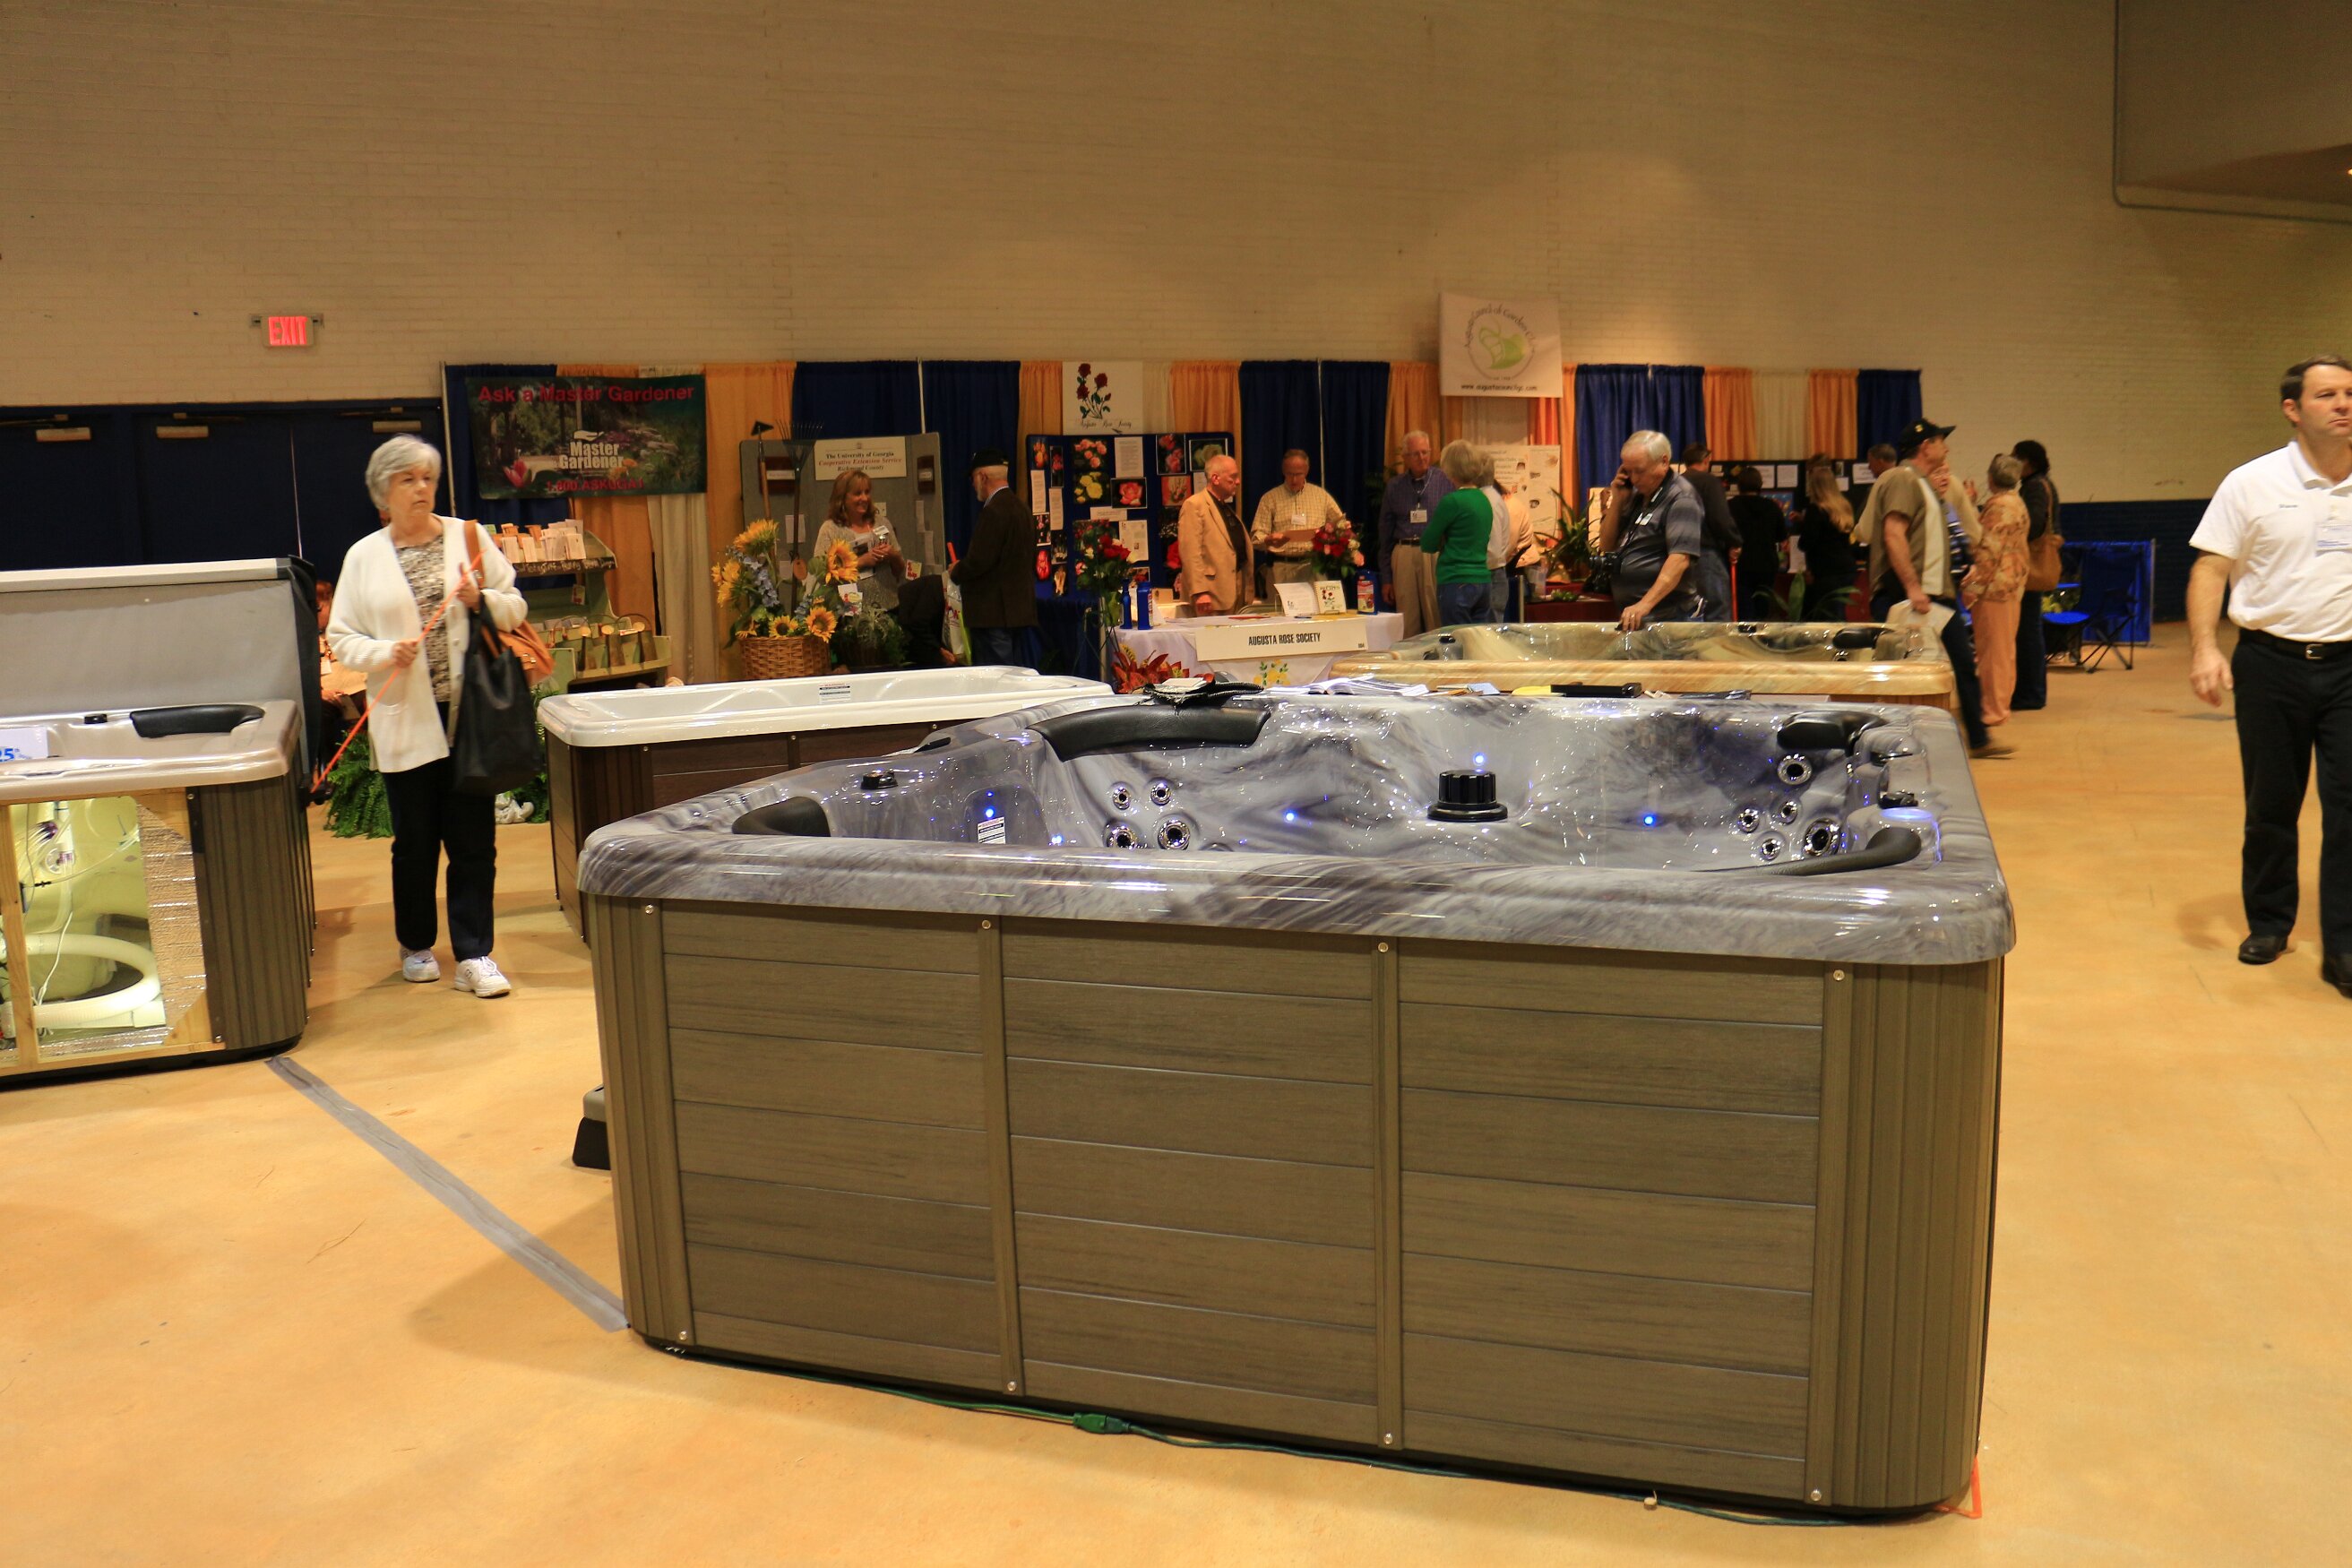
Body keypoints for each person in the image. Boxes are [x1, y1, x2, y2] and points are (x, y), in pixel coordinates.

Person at [326, 435, 528, 998]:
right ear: (383, 492)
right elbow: (342, 639)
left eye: (428, 478)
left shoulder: (469, 537)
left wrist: (480, 601)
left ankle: (474, 953)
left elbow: (515, 606)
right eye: (408, 480)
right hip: (404, 718)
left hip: (470, 718)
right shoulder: (363, 556)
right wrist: (385, 652)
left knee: (474, 842)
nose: (421, 489)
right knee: (414, 843)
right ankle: (415, 944)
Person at [2187, 354, 2352, 995]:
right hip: (2269, 664)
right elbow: (2210, 569)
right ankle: (2269, 922)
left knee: (2349, 810)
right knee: (2271, 805)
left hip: (2348, 667)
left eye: (2349, 393)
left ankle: (2344, 945)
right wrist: (2205, 648)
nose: (2343, 404)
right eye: (2327, 395)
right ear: (2292, 409)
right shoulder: (2251, 482)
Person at [1857, 418, 2004, 758]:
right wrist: (1912, 587)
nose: (1947, 448)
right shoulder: (1902, 478)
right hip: (1905, 595)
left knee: (1963, 664)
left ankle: (1979, 739)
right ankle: (1887, 744)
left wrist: (1958, 570)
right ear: (1926, 446)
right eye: (1941, 441)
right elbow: (1894, 533)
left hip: (1936, 596)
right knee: (1898, 674)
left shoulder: (1927, 486)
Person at [1594, 431, 1703, 631]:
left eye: (1640, 471)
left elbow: (1679, 560)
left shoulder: (1682, 498)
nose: (1634, 478)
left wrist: (1644, 604)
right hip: (1640, 616)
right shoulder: (1638, 496)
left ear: (1664, 462)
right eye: (1628, 471)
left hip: (1670, 617)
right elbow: (1606, 545)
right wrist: (1618, 500)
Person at [952, 449, 1038, 665]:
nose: (973, 485)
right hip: (1017, 612)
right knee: (1014, 676)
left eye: (973, 478)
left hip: (993, 615)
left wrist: (956, 571)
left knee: (997, 678)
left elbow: (979, 561)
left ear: (982, 477)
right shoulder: (1021, 507)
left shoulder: (994, 511)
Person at [1962, 455, 2030, 726]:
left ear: (1991, 478)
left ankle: (1993, 710)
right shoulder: (2016, 503)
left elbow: (1988, 552)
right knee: (2003, 651)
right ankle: (1999, 705)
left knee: (1993, 653)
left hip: (1995, 588)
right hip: (2011, 585)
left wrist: (1972, 588)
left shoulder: (1999, 507)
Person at [1377, 431, 1452, 636]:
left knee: (1435, 615)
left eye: (1425, 452)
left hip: (1433, 553)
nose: (1421, 458)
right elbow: (1385, 534)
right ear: (1405, 457)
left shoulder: (1444, 481)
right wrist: (1387, 578)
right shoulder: (1395, 486)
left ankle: (1439, 656)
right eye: (1415, 454)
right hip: (1404, 552)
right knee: (1408, 620)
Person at [1419, 441, 1497, 625]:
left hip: (1456, 579)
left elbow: (1427, 543)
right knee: (1478, 639)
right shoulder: (1484, 500)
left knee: (1456, 638)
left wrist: (1443, 539)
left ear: (1450, 469)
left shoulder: (1451, 501)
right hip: (1483, 580)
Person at [812, 469, 906, 613]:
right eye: (858, 493)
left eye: (867, 492)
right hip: (850, 612)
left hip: (888, 607)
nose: (865, 498)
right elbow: (822, 575)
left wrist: (892, 555)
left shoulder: (882, 523)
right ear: (843, 498)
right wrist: (861, 562)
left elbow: (900, 569)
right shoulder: (830, 529)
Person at [1252, 450, 1346, 591]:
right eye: (1290, 474)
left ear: (1306, 471)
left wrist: (1332, 539)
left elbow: (1341, 525)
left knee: (1316, 606)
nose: (1294, 480)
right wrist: (1268, 540)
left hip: (1313, 567)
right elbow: (1256, 537)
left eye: (1298, 474)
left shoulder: (1321, 496)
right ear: (1283, 471)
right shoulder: (1270, 498)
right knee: (1280, 606)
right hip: (1281, 568)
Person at [2010, 440, 2059, 711]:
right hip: (2033, 567)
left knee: (2027, 632)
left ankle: (2031, 693)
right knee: (2030, 630)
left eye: (2016, 457)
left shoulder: (2034, 487)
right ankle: (2031, 691)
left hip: (2030, 567)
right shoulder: (2040, 484)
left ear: (2028, 461)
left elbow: (2035, 525)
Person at [1176, 453, 1254, 615]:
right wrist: (1200, 591)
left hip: (1234, 591)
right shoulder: (1194, 505)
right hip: (1211, 596)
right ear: (1215, 478)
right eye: (1233, 477)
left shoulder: (1224, 507)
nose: (1238, 482)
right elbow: (1190, 552)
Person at [1679, 443, 1737, 619]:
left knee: (1687, 612)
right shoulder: (1710, 482)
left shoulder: (1675, 483)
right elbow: (1720, 517)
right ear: (1706, 460)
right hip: (1705, 553)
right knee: (1717, 610)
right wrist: (1734, 541)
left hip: (1676, 556)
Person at [1796, 464, 1858, 621]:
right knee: (1839, 611)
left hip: (1826, 571)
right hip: (1847, 568)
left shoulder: (1815, 509)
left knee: (1827, 615)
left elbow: (1806, 542)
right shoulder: (1844, 506)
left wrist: (1804, 526)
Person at [1727, 465, 1788, 617]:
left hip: (1741, 564)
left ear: (1739, 485)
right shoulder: (1772, 507)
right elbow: (1781, 535)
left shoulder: (1730, 506)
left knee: (1743, 610)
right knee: (1763, 608)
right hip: (1766, 564)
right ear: (1760, 484)